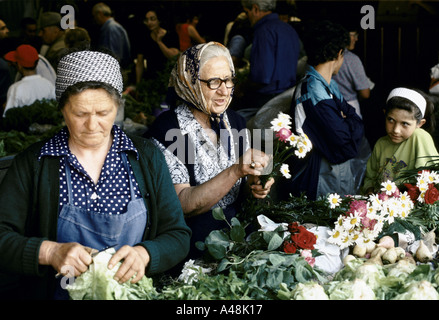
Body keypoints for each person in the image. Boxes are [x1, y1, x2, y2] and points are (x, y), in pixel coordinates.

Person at [0, 49, 191, 299]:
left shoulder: (146, 157)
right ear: (62, 110)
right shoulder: (35, 163)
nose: (92, 125)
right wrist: (49, 252)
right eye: (80, 114)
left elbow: (178, 235)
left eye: (103, 113)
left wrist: (146, 253)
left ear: (117, 107)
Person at [145, 42, 274, 260]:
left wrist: (254, 183)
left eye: (228, 80)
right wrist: (235, 171)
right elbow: (183, 204)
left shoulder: (235, 121)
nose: (224, 90)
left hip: (238, 237)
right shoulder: (172, 130)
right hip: (194, 246)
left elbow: (239, 187)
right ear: (190, 83)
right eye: (214, 82)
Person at [278, 20, 364, 201]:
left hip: (331, 176)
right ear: (340, 53)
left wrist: (347, 119)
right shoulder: (314, 92)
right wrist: (347, 118)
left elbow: (353, 120)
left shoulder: (326, 85)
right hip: (320, 179)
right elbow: (346, 145)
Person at [232, 0, 301, 120]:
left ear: (255, 9)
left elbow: (262, 77)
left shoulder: (264, 30)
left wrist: (240, 87)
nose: (247, 17)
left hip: (265, 100)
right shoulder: (288, 29)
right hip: (287, 98)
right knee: (270, 138)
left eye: (247, 12)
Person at [362, 87, 438, 195]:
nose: (396, 130)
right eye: (391, 120)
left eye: (405, 124)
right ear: (385, 114)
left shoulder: (419, 136)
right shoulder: (381, 144)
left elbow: (431, 178)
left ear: (419, 124)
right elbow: (370, 177)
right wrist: (370, 191)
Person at [3, 44, 56, 116]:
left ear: (19, 65)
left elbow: (9, 117)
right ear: (37, 63)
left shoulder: (16, 88)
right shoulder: (49, 85)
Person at [134, 7, 180, 83]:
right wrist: (138, 84)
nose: (149, 22)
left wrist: (159, 42)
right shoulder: (144, 38)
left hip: (169, 78)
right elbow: (140, 63)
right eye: (147, 20)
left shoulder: (171, 35)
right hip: (152, 79)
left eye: (152, 19)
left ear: (159, 20)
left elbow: (172, 56)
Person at [92, 2, 131, 69]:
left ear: (99, 14)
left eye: (94, 16)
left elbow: (115, 56)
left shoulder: (112, 28)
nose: (94, 19)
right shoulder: (110, 28)